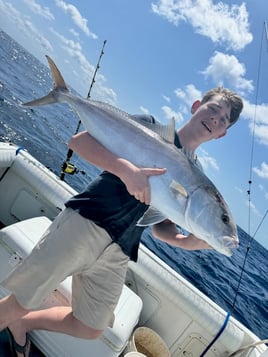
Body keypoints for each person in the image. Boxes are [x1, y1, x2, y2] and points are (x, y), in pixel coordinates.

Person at [0, 87, 243, 357]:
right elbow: (79, 142)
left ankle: (21, 323)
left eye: (224, 120)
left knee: (90, 326)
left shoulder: (197, 176)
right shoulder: (148, 126)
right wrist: (127, 171)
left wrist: (188, 241)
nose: (216, 119)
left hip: (120, 250)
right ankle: (15, 316)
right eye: (213, 109)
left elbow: (162, 227)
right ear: (196, 105)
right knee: (20, 301)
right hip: (87, 221)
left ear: (223, 133)